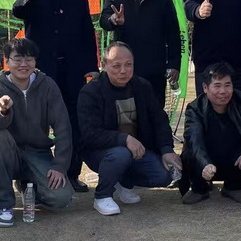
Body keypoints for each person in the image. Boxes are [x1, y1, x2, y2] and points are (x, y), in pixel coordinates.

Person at [12, 0, 98, 193]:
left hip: (73, 71)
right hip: (40, 71)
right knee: (35, 123)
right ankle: (28, 175)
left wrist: (92, 66)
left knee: (72, 123)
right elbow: (18, 11)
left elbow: (87, 32)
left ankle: (71, 174)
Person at [78, 42, 183, 216]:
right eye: (116, 65)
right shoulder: (91, 92)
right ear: (104, 65)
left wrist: (167, 150)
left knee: (164, 175)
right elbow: (90, 133)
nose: (123, 71)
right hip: (101, 152)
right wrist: (124, 139)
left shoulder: (142, 86)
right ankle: (102, 195)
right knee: (121, 154)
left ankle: (124, 182)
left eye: (128, 65)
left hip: (137, 151)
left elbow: (159, 120)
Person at [0, 38, 74, 227]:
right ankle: (3, 204)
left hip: (38, 152)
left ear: (35, 61)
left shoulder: (47, 85)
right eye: (17, 59)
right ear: (7, 61)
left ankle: (29, 186)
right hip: (9, 152)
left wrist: (60, 166)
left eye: (29, 59)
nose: (23, 64)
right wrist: (2, 110)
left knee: (61, 198)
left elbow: (63, 126)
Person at [99, 0, 182, 108]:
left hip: (155, 69)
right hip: (124, 71)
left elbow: (172, 32)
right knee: (126, 115)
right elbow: (104, 20)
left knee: (154, 113)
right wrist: (113, 20)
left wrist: (174, 64)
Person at [180, 63, 241, 205]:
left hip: (234, 156)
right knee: (189, 153)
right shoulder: (195, 108)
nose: (223, 91)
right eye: (217, 85)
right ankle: (199, 189)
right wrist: (204, 163)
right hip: (206, 158)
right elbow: (194, 140)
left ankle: (233, 187)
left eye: (227, 85)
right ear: (205, 88)